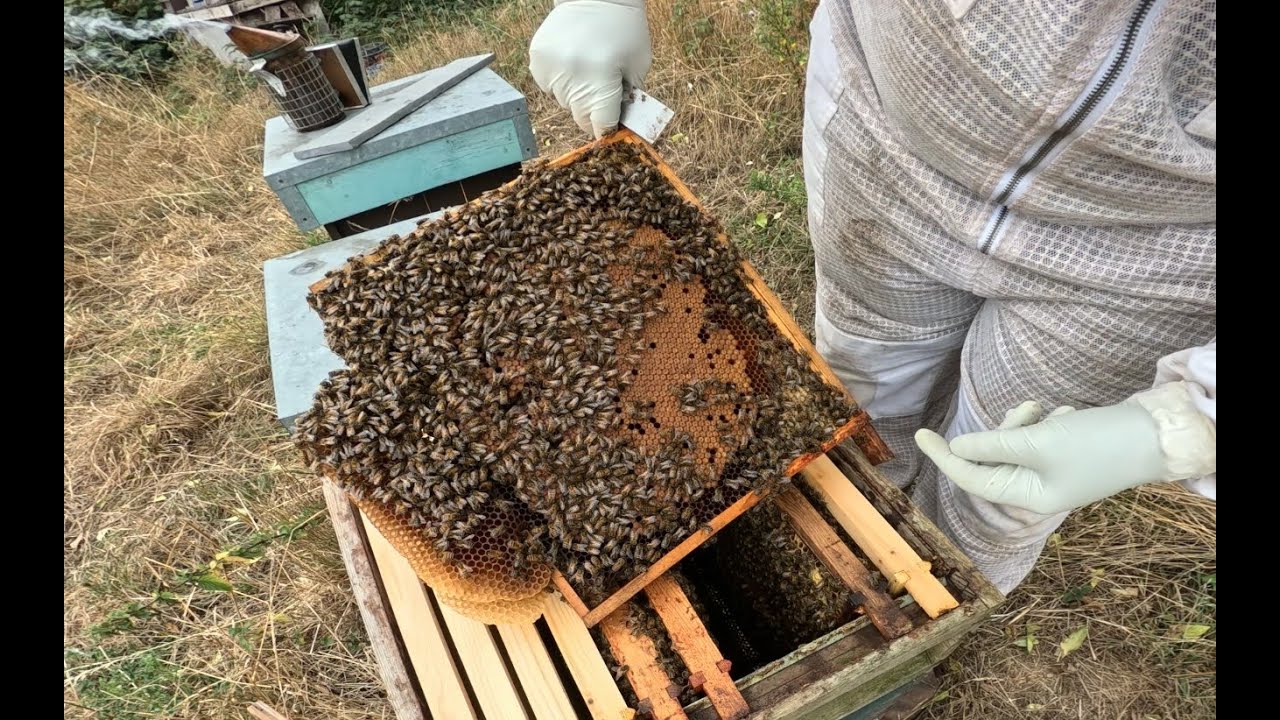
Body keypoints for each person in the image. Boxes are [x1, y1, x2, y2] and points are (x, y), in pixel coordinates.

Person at [529, 0, 1216, 597]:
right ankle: (841, 565)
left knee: (1000, 478)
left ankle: (931, 612)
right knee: (861, 405)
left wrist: (1184, 426)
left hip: (1160, 249)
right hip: (891, 133)